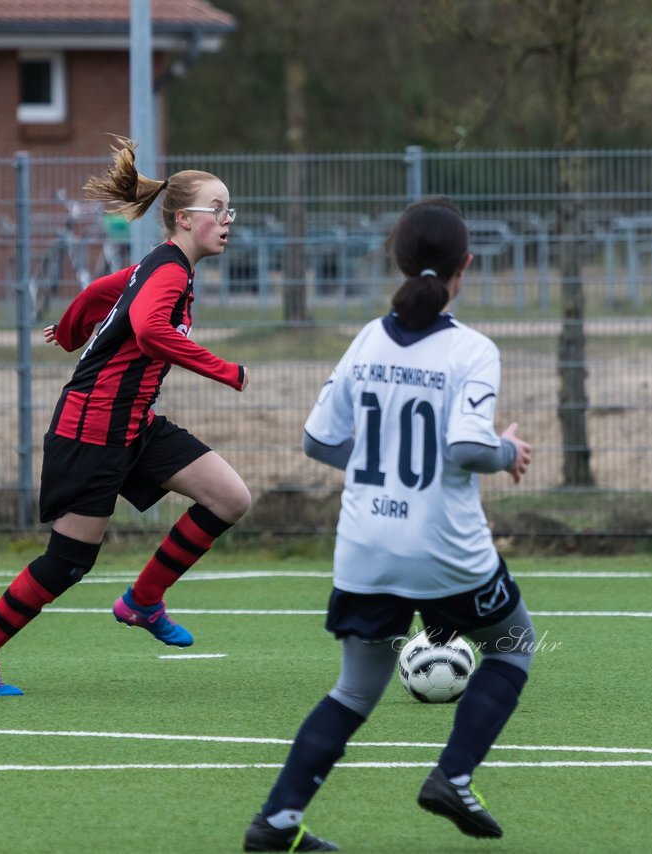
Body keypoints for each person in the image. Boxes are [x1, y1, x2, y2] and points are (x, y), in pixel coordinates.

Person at [242, 196, 535, 852]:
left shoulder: (369, 339)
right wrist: (508, 452)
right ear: (467, 266)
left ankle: (277, 820)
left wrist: (375, 462)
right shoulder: (472, 350)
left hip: (366, 542)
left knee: (353, 690)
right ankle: (452, 776)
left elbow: (318, 440)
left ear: (397, 261)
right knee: (513, 645)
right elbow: (464, 449)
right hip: (442, 547)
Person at [0, 136, 251, 696]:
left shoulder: (161, 266)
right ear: (184, 219)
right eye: (218, 209)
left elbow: (100, 291)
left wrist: (68, 331)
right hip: (93, 428)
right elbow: (148, 329)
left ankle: (142, 600)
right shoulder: (170, 273)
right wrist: (222, 369)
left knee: (230, 497)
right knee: (67, 563)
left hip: (134, 421)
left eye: (230, 209)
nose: (228, 219)